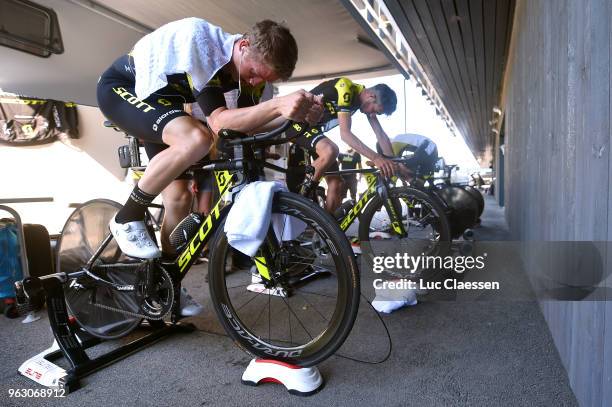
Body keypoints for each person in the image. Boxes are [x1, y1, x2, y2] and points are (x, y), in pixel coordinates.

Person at [97, 18, 323, 315]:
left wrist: (297, 115)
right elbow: (218, 122)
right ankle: (127, 217)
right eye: (255, 74)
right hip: (124, 89)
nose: (255, 83)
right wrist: (278, 106)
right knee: (197, 138)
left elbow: (246, 127)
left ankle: (166, 285)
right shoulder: (203, 43)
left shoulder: (247, 73)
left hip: (164, 104)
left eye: (264, 80)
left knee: (178, 198)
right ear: (244, 47)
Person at [285, 77, 397, 213]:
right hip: (296, 124)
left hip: (313, 130)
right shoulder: (346, 87)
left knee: (336, 184)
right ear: (371, 96)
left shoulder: (365, 102)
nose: (373, 114)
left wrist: (392, 161)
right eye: (375, 110)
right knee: (330, 150)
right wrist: (377, 158)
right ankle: (297, 205)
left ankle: (324, 230)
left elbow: (380, 133)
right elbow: (345, 134)